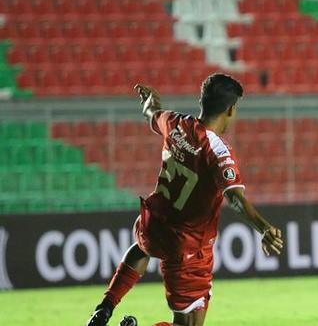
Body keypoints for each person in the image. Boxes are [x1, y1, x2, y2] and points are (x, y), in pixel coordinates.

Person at [85, 74, 284, 326]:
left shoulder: (175, 122)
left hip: (152, 224)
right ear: (232, 109)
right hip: (187, 247)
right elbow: (233, 196)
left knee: (140, 249)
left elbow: (151, 113)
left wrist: (150, 101)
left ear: (202, 100)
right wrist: (263, 228)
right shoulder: (218, 151)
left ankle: (104, 307)